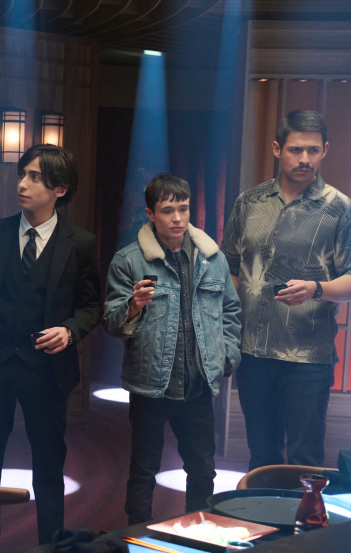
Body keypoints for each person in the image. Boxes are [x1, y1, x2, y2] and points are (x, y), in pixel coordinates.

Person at [220, 109, 351, 470]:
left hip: (308, 356)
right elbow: (228, 268)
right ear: (277, 149)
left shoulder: (340, 209)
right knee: (262, 456)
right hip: (253, 352)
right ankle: (262, 509)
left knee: (305, 460)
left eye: (313, 150)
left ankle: (306, 511)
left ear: (325, 151)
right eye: (296, 150)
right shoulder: (249, 202)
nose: (305, 159)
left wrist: (316, 288)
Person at [0, 144, 102, 551]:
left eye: (35, 178)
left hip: (47, 371)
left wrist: (69, 331)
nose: (22, 184)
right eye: (23, 174)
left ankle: (51, 546)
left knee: (48, 467)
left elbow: (91, 305)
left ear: (60, 189)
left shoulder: (80, 242)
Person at [104, 173, 241, 521]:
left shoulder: (213, 258)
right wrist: (133, 306)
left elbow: (231, 310)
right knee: (143, 471)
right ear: (151, 214)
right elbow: (111, 324)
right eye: (167, 211)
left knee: (203, 471)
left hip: (198, 385)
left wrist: (227, 356)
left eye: (183, 209)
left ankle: (198, 538)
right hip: (151, 386)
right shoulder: (129, 260)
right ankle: (137, 540)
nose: (177, 218)